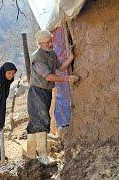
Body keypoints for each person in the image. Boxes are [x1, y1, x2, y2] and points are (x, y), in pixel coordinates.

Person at [25, 30, 79, 165]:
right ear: (40, 43)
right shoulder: (37, 57)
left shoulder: (51, 54)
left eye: (51, 41)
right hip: (37, 92)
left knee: (35, 122)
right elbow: (48, 76)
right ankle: (42, 157)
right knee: (41, 121)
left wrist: (71, 57)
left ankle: (31, 155)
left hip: (45, 91)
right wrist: (68, 79)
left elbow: (60, 67)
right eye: (47, 42)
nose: (50, 44)